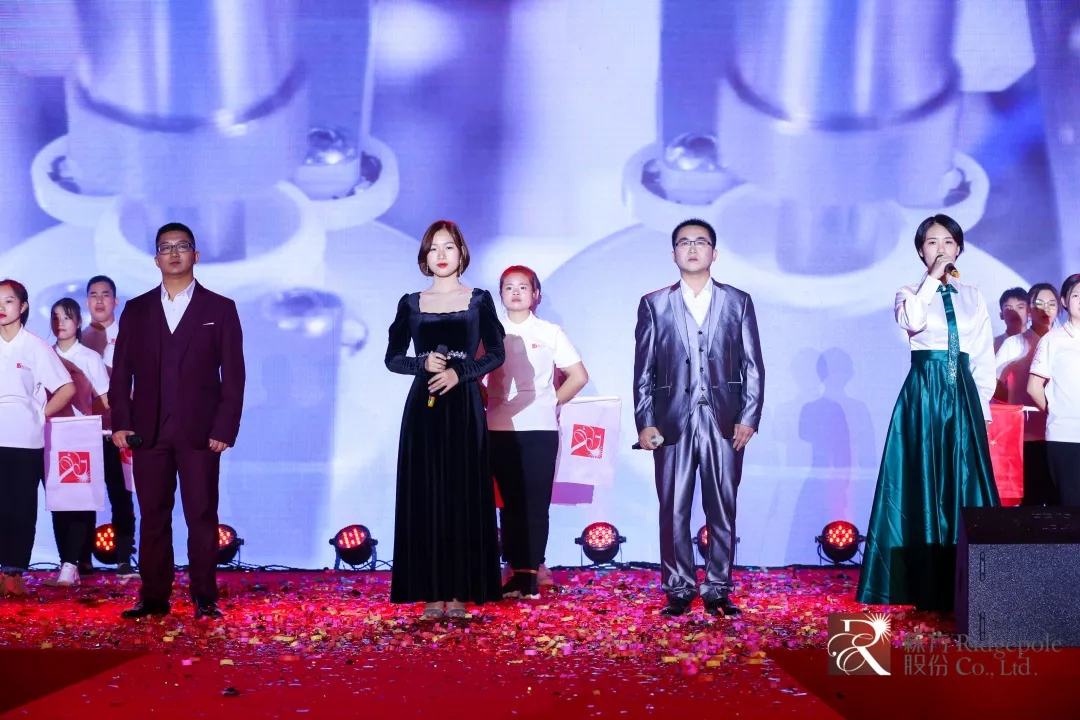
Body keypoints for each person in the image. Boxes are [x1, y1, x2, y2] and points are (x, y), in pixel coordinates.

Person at [856, 214, 999, 612]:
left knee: (964, 482)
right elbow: (912, 321)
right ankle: (920, 583)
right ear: (921, 251)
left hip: (963, 394)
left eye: (948, 242)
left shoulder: (973, 295)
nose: (941, 249)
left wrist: (982, 408)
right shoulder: (909, 293)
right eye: (932, 242)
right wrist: (932, 281)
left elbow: (982, 355)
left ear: (959, 248)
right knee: (920, 480)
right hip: (924, 393)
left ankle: (969, 582)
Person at [109, 223, 246, 620]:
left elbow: (234, 375)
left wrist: (225, 427)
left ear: (195, 255)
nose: (173, 253)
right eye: (165, 248)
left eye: (181, 246)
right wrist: (122, 422)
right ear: (156, 259)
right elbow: (121, 373)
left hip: (201, 433)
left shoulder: (220, 308)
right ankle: (153, 596)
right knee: (153, 516)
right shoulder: (137, 310)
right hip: (147, 432)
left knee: (201, 516)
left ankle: (204, 595)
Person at [633, 218, 764, 617]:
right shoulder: (654, 303)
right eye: (684, 242)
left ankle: (718, 588)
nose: (692, 248)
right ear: (673, 253)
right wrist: (646, 422)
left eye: (701, 242)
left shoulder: (738, 301)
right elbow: (644, 369)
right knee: (673, 507)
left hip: (724, 420)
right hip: (671, 422)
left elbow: (753, 365)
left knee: (722, 507)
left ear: (714, 252)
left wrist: (749, 416)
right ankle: (678, 587)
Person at [385, 220, 505, 619]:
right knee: (425, 495)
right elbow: (392, 358)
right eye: (434, 248)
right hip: (424, 409)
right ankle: (430, 592)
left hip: (464, 406)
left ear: (461, 253)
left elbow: (497, 354)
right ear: (424, 256)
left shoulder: (479, 300)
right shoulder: (410, 303)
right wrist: (421, 364)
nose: (441, 254)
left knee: (461, 495)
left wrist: (461, 372)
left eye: (448, 247)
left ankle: (459, 592)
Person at [486, 266, 588, 600]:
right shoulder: (489, 331)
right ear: (501, 295)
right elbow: (472, 373)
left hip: (541, 428)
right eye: (508, 287)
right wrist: (488, 400)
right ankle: (513, 570)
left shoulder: (549, 332)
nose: (515, 292)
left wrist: (551, 401)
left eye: (523, 287)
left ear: (536, 294)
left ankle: (531, 573)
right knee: (509, 503)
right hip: (499, 426)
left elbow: (578, 376)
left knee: (535, 502)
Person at [0, 280, 75, 597]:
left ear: (23, 306)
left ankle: (13, 572)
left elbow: (66, 388)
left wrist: (41, 413)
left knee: (20, 508)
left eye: (8, 300)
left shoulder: (35, 347)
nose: (2, 307)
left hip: (24, 438)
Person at [45, 298, 111, 588]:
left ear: (79, 322)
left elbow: (105, 399)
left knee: (81, 501)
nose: (60, 323)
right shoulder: (43, 355)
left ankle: (73, 563)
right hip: (51, 436)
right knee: (58, 501)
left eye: (67, 317)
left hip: (82, 438)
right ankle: (66, 563)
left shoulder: (89, 358)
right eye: (55, 317)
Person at [80, 276, 138, 579]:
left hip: (120, 430)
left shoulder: (130, 336)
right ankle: (81, 559)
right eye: (93, 295)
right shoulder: (76, 339)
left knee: (122, 495)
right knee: (81, 496)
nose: (100, 300)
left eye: (105, 295)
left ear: (115, 301)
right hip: (85, 430)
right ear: (87, 302)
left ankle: (125, 558)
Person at [995, 283, 1059, 505]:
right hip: (1027, 435)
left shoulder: (1065, 342)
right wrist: (1015, 400)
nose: (1045, 309)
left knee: (1062, 502)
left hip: (1061, 434)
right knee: (1031, 502)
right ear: (1030, 310)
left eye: (1051, 304)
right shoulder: (1014, 344)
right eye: (1038, 304)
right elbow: (992, 382)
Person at [1028, 274, 1080, 507]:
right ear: (1065, 301)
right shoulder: (1053, 340)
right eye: (1076, 295)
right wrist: (1057, 411)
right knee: (1071, 511)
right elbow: (1034, 387)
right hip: (1065, 437)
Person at [994, 287, 1029, 353]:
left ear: (1029, 312)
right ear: (1001, 315)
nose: (1015, 312)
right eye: (1009, 308)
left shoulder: (1041, 344)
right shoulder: (992, 346)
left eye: (1020, 307)